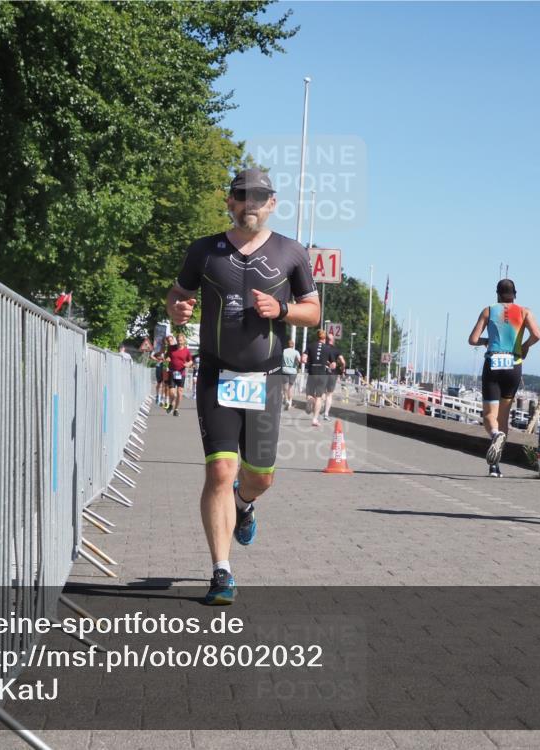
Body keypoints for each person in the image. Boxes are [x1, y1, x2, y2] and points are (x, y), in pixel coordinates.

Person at [166, 168, 320, 604]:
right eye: (241, 195)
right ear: (230, 201)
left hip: (266, 381)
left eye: (259, 197)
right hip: (217, 374)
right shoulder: (205, 251)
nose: (250, 203)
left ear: (272, 204)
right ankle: (221, 571)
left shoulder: (292, 253)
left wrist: (283, 309)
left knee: (260, 479)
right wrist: (177, 309)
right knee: (219, 469)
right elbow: (177, 293)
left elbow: (313, 312)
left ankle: (245, 504)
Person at [468, 279, 540, 478]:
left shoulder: (488, 311)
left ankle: (495, 437)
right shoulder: (525, 312)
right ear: (514, 294)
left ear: (498, 294)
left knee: (489, 417)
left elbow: (472, 339)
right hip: (513, 365)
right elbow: (537, 334)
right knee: (503, 417)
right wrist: (524, 346)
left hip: (493, 363)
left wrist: (486, 341)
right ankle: (496, 466)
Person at [302, 330, 331, 427]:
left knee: (309, 394)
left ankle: (310, 399)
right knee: (319, 397)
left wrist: (308, 362)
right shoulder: (328, 348)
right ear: (324, 338)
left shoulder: (310, 346)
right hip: (322, 374)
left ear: (317, 336)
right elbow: (333, 364)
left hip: (312, 372)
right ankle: (315, 419)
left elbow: (303, 359)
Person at [167, 333, 193, 417]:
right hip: (172, 372)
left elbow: (191, 361)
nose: (179, 342)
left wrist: (188, 364)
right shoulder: (171, 348)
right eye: (178, 340)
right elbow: (166, 356)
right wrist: (167, 358)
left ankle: (176, 409)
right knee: (172, 393)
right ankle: (171, 404)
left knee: (180, 392)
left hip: (181, 373)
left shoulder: (186, 351)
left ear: (184, 341)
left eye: (181, 340)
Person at [321, 332, 345, 420]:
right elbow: (343, 362)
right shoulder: (336, 350)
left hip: (323, 372)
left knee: (322, 392)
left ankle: (320, 406)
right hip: (333, 374)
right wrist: (342, 369)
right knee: (329, 394)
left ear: (326, 340)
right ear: (333, 340)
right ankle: (326, 413)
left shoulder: (322, 348)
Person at [281, 339, 301, 410]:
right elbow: (299, 360)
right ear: (293, 345)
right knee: (290, 387)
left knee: (285, 387)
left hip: (284, 370)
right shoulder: (296, 352)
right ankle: (290, 402)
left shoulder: (283, 351)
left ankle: (286, 400)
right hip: (293, 371)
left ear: (287, 344)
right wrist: (297, 364)